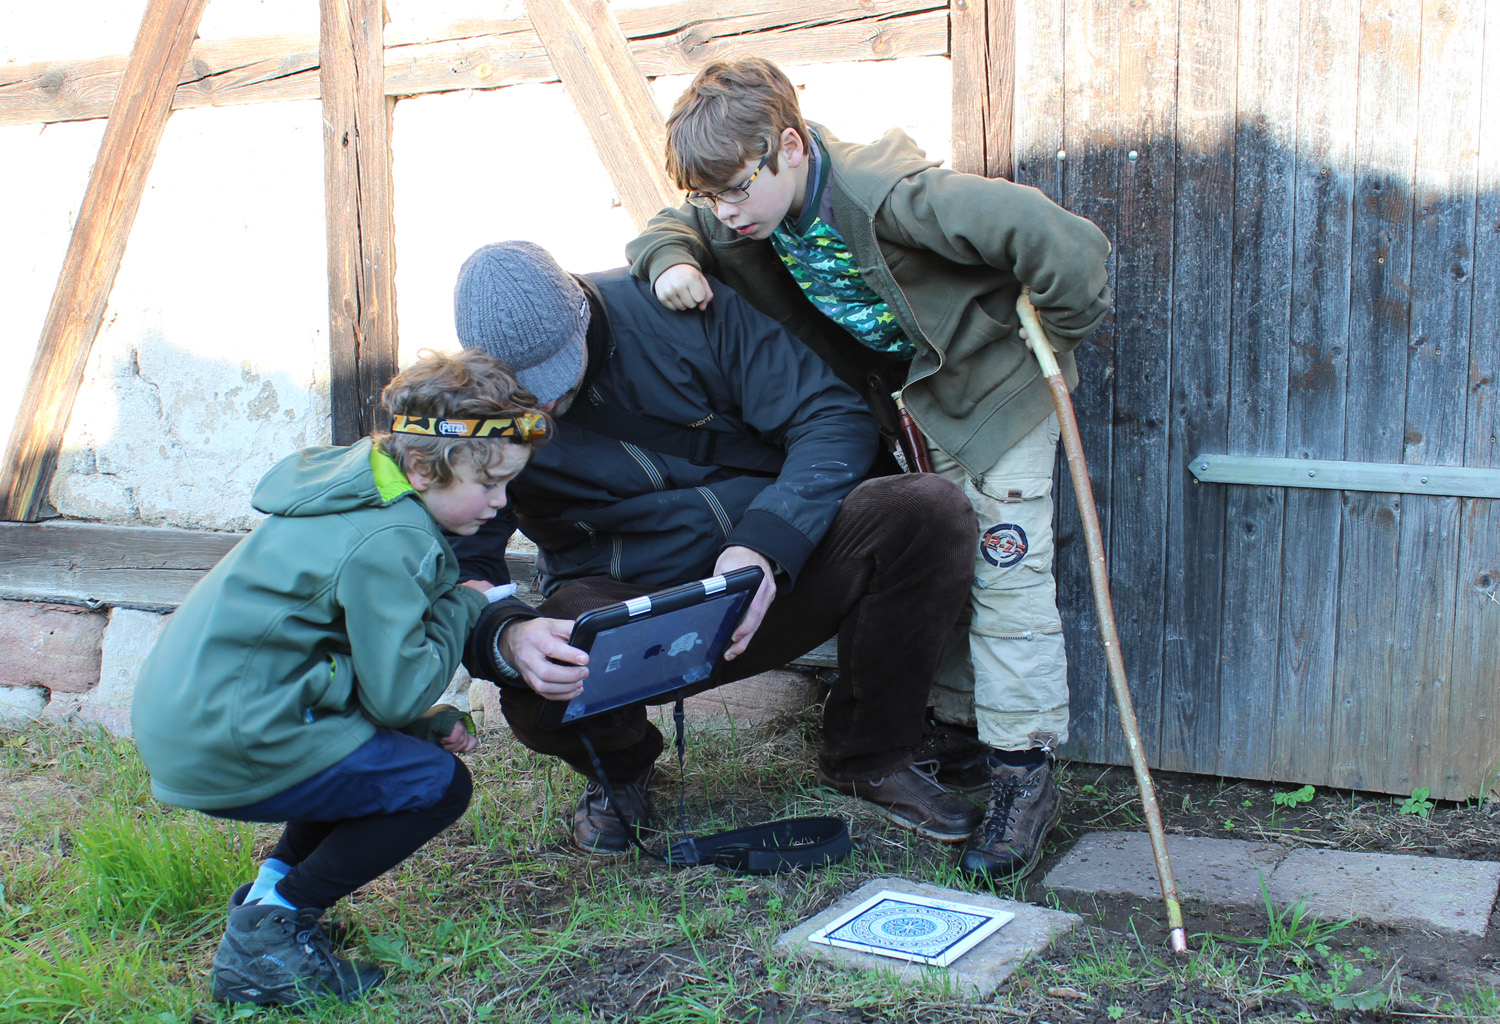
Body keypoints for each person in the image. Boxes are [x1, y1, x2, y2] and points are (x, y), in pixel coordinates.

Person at [623, 57, 1113, 883]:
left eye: (736, 190)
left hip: (995, 407)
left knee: (1009, 582)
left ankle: (1024, 778)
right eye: (713, 197)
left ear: (789, 146)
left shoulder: (895, 193)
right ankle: (961, 737)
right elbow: (670, 226)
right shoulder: (746, 209)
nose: (725, 213)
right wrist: (670, 259)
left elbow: (1068, 247)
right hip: (915, 411)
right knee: (948, 566)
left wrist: (1033, 351)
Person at [449, 240, 982, 857]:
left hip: (775, 573)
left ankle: (871, 753)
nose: (538, 403)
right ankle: (623, 769)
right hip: (632, 607)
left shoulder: (682, 310)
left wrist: (764, 545)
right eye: (521, 388)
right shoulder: (471, 405)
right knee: (535, 662)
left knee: (926, 509)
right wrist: (508, 634)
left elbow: (832, 416)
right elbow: (459, 561)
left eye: (550, 376)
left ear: (581, 313)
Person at [130, 349, 550, 1007]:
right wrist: (467, 603)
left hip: (200, 716)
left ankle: (267, 904)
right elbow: (399, 689)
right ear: (421, 467)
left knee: (386, 762)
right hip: (235, 732)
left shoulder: (357, 484)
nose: (500, 505)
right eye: (490, 483)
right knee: (437, 786)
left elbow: (347, 663)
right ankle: (272, 936)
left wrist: (417, 724)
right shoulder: (393, 538)